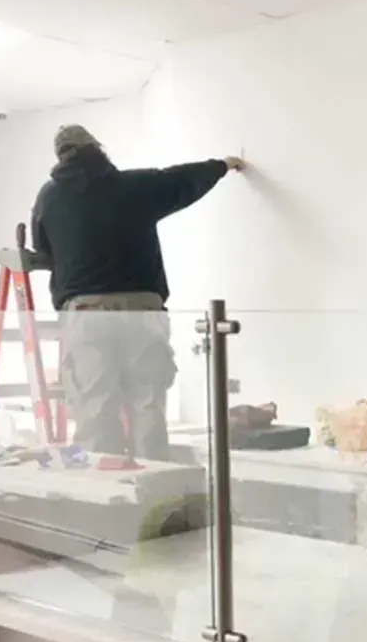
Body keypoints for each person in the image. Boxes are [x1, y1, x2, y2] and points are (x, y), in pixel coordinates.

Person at [31, 124, 244, 460]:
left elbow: (42, 250)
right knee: (148, 403)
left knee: (95, 407)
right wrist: (223, 165)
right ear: (97, 149)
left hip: (86, 313)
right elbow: (181, 180)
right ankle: (154, 497)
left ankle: (106, 496)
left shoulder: (49, 197)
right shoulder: (135, 187)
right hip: (143, 310)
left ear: (61, 157)